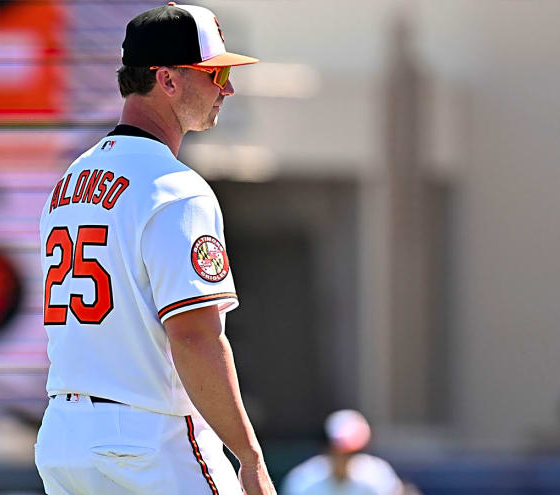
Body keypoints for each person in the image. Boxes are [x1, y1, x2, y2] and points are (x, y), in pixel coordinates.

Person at [34, 3, 275, 494]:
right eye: (216, 73)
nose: (226, 89)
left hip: (64, 437)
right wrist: (248, 456)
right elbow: (194, 336)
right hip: (148, 439)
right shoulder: (175, 188)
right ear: (166, 80)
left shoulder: (69, 180)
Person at [280, 410, 404, 495]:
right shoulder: (302, 481)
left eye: (353, 452)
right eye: (341, 451)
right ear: (328, 448)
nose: (347, 457)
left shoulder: (379, 477)